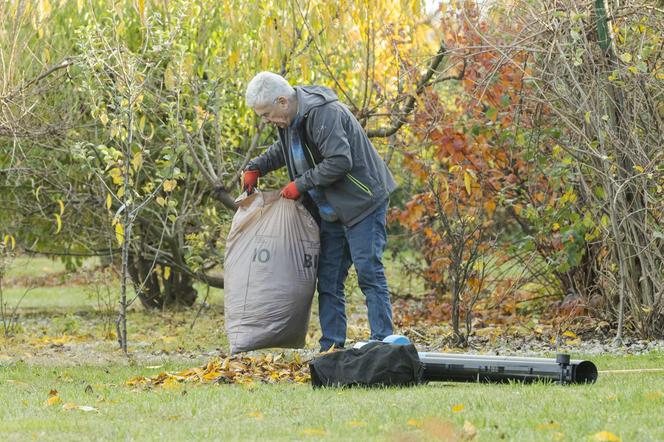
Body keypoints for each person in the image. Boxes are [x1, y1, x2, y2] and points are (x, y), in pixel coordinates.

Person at [243, 71, 396, 351]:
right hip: (332, 211)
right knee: (328, 280)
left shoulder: (323, 113)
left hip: (362, 202)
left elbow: (340, 160)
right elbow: (284, 149)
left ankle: (384, 345)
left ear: (282, 101)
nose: (266, 120)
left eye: (266, 114)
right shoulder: (289, 118)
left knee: (368, 272)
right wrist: (257, 166)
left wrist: (300, 185)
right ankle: (331, 349)